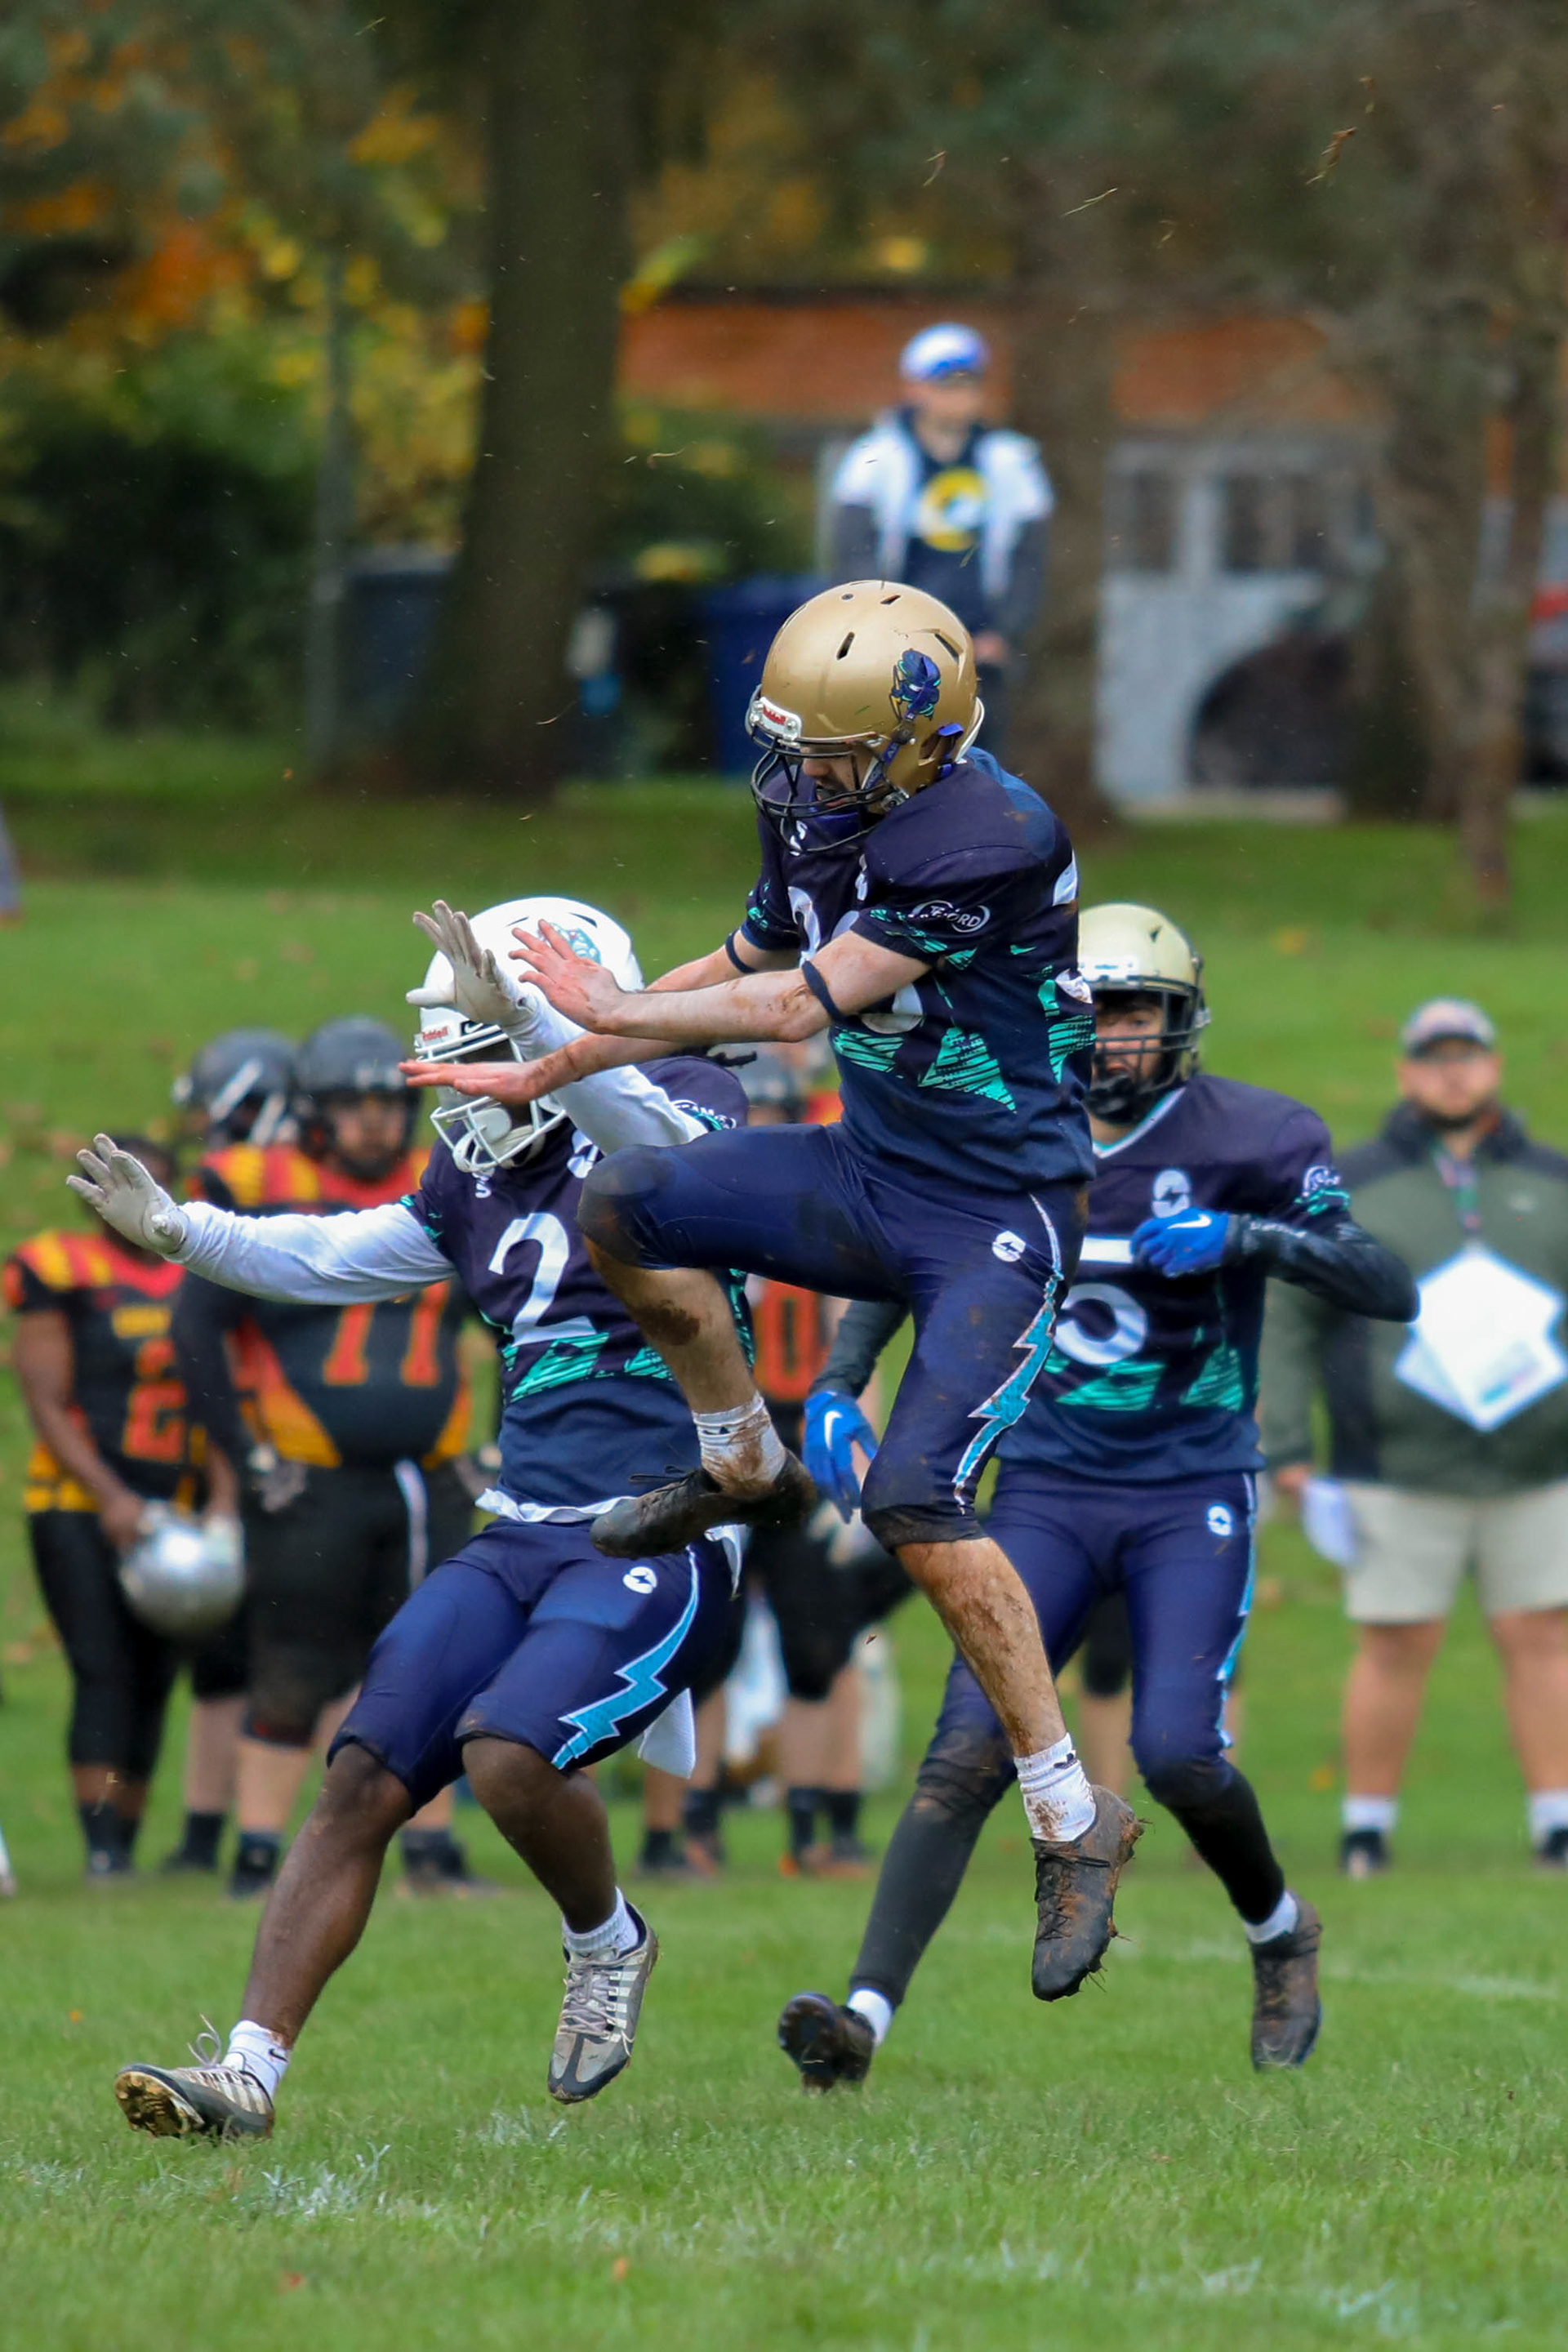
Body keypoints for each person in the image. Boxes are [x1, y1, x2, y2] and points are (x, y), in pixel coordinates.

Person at [418, 581, 1139, 2006]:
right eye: (796, 745)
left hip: (995, 1211)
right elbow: (745, 961)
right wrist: (554, 1063)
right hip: (874, 1170)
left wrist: (601, 1009)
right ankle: (736, 1458)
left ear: (920, 744)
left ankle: (1071, 1812)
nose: (804, 774)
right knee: (623, 1199)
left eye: (833, 751)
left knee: (914, 1501)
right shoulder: (823, 802)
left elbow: (801, 1005)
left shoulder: (991, 831)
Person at [81, 897, 749, 2137]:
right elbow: (330, 1257)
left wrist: (555, 1030)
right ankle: (246, 2073)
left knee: (506, 1754)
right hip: (523, 1528)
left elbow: (659, 1151)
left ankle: (607, 1942)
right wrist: (183, 1232)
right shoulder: (475, 1180)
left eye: (479, 1036)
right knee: (362, 1770)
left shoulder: (691, 1103)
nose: (459, 1072)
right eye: (455, 1037)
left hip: (662, 1528)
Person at [781, 903, 1418, 2085]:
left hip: (1191, 1485)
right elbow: (912, 1249)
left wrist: (1249, 1239)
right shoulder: (1006, 1127)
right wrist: (837, 1378)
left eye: (1135, 1010)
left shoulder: (1256, 1137)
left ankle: (1281, 1934)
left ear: (1182, 1023)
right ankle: (862, 2019)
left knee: (1179, 1754)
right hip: (1049, 1484)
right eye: (1092, 1006)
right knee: (965, 1752)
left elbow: (1388, 1285)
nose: (1112, 1034)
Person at [172, 1017, 483, 1900]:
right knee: (293, 1667)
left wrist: (497, 1441)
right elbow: (197, 1324)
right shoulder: (259, 1184)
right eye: (353, 1105)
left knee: (435, 1664)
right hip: (310, 1473)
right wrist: (244, 1451)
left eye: (389, 1103)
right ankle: (258, 1857)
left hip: (428, 1475)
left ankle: (429, 1856)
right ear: (312, 1111)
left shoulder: (448, 1183)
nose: (377, 1122)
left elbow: (509, 1303)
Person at [1261, 997, 1568, 1876]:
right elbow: (1288, 1316)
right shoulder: (1349, 1186)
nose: (1453, 1071)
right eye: (1434, 1057)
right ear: (1405, 1073)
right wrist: (1288, 1448)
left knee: (1543, 1636)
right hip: (1393, 1465)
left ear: (1495, 1066)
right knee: (1396, 1641)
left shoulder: (1555, 1181)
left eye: (1467, 1055)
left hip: (1540, 1467)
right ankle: (1366, 1828)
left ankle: (1556, 1822)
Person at [4, 1136, 239, 1878]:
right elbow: (45, 1397)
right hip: (78, 1501)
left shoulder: (200, 1274)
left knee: (153, 1673)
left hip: (178, 1506)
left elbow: (229, 1396)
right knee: (103, 1667)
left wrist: (225, 1498)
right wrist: (109, 1496)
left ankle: (126, 1843)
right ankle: (103, 1847)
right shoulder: (59, 1268)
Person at [728, 1046, 908, 1880]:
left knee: (818, 1638)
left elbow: (850, 1324)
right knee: (711, 1636)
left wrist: (861, 1456)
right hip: (723, 1430)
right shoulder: (703, 1206)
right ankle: (685, 1825)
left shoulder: (825, 1202)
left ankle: (817, 1822)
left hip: (804, 1424)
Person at [161, 1030, 300, 1878]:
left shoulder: (278, 1190)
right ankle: (210, 1835)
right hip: (239, 1440)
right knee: (228, 1659)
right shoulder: (245, 1183)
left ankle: (233, 1839)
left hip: (285, 1442)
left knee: (291, 1652)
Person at [825, 324, 1052, 756]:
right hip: (895, 645)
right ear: (914, 388)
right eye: (943, 385)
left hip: (979, 647)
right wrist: (881, 631)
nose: (956, 397)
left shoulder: (1011, 462)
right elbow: (853, 555)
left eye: (967, 385)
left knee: (975, 758)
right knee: (894, 757)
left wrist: (1005, 631)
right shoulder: (874, 459)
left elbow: (1030, 559)